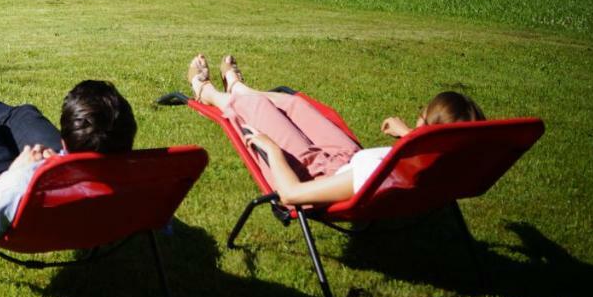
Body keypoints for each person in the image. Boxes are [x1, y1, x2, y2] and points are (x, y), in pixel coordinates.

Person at [186, 53, 485, 207]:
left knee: (256, 110)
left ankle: (209, 92)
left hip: (316, 171)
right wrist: (408, 135)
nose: (417, 119)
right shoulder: (439, 167)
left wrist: (274, 153)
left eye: (422, 118)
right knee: (296, 106)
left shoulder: (368, 180)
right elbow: (430, 155)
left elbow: (291, 194)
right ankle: (239, 86)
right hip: (349, 157)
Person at [0, 43, 137, 251]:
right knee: (24, 114)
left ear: (64, 141)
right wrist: (58, 160)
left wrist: (17, 171)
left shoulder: (18, 185)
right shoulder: (147, 177)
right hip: (68, 171)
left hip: (7, 185)